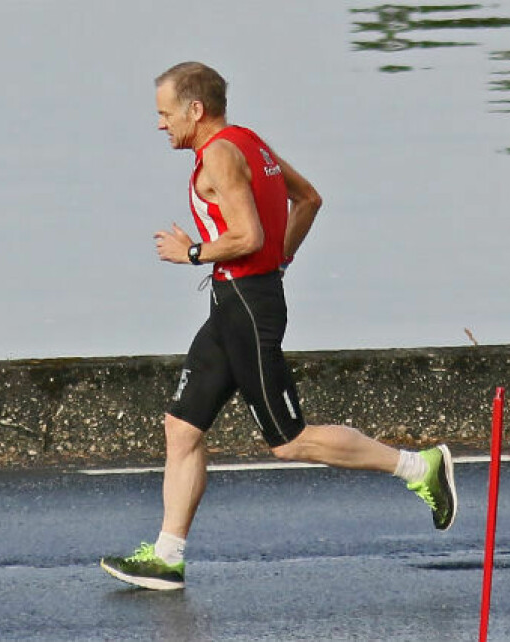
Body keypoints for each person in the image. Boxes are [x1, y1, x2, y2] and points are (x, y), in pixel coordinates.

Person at [100, 62, 457, 591]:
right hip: (235, 301)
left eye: (164, 113)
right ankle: (168, 556)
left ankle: (418, 466)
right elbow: (308, 198)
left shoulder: (219, 155)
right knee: (182, 427)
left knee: (289, 441)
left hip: (247, 304)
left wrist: (193, 251)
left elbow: (245, 234)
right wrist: (278, 259)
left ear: (194, 110)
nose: (160, 124)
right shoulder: (250, 143)